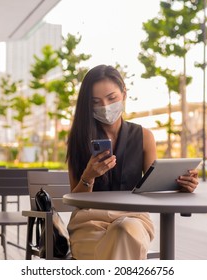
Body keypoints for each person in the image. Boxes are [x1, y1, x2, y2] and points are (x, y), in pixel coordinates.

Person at [66, 64, 199, 260]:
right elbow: (75, 200)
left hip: (133, 219)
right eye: (96, 102)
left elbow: (156, 186)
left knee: (124, 231)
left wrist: (183, 185)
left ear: (124, 94)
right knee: (122, 242)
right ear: (88, 104)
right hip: (90, 222)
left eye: (111, 98)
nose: (105, 106)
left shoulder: (144, 136)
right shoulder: (79, 139)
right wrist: (88, 177)